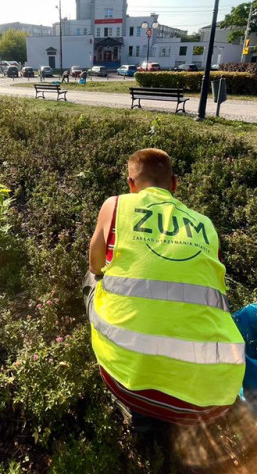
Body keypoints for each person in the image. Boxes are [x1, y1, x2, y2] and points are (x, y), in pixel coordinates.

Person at [85, 148, 245, 429]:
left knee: (91, 278)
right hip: (217, 397)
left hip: (128, 383)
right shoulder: (206, 225)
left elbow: (95, 264)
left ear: (131, 184)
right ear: (174, 184)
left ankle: (138, 412)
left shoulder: (115, 205)